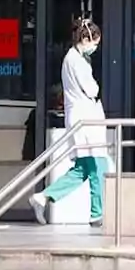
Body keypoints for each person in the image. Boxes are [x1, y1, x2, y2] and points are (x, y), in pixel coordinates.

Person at [29, 18, 108, 228]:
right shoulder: (76, 61)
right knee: (99, 166)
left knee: (83, 168)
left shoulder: (72, 59)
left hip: (81, 118)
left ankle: (43, 197)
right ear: (85, 39)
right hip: (86, 120)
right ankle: (96, 215)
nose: (95, 47)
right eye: (94, 43)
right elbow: (92, 90)